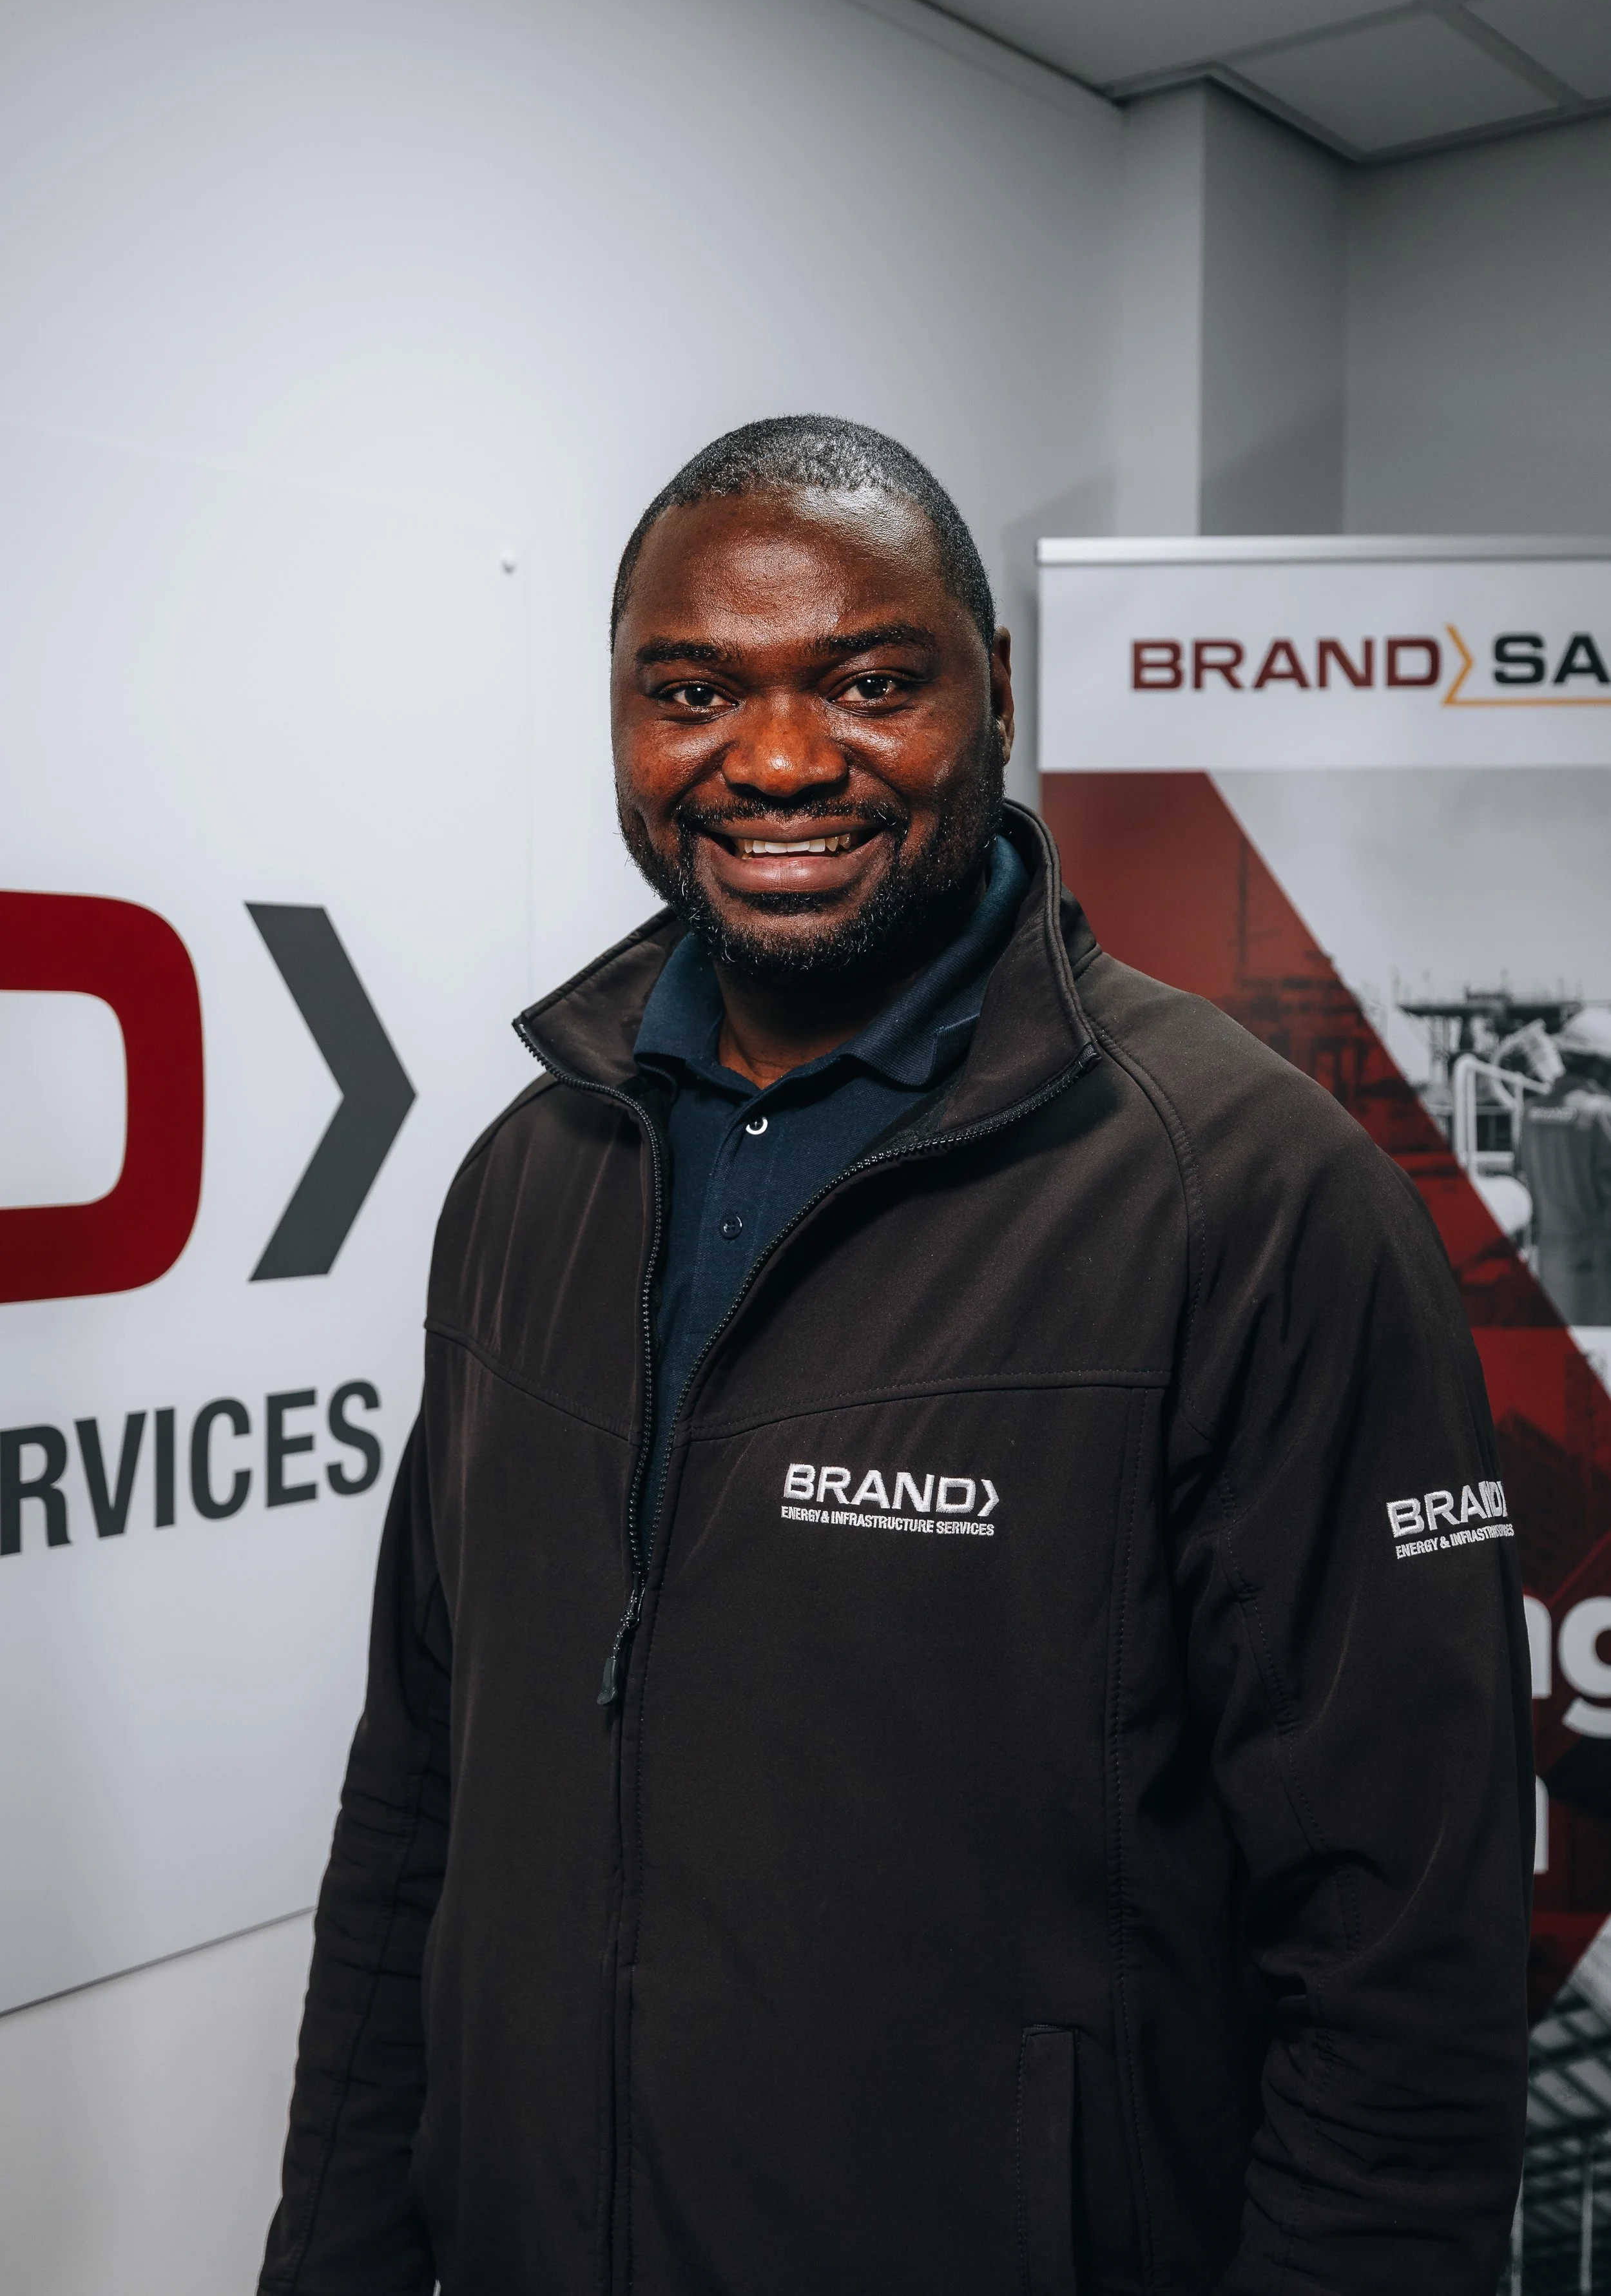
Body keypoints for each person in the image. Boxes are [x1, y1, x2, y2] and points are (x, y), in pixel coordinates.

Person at [260, 417, 1530, 2296]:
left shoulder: (1249, 1200)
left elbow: (1398, 1970)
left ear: (992, 692)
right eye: (689, 689)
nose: (774, 760)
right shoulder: (528, 1176)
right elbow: (413, 1801)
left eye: (866, 681)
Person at [1518, 1003, 1611, 1326]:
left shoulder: (1530, 1113)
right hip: (1599, 1266)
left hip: (1551, 1262)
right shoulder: (1601, 1114)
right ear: (1599, 1066)